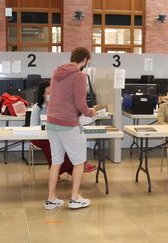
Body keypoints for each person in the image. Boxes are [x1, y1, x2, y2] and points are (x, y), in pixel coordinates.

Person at [45, 47, 96, 210]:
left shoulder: (56, 73)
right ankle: (74, 198)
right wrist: (91, 112)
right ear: (85, 60)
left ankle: (51, 199)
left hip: (52, 122)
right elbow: (81, 104)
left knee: (56, 161)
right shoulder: (80, 76)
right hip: (68, 124)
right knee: (79, 161)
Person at [30, 81, 96, 175]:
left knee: (67, 140)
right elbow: (33, 127)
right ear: (42, 95)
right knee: (51, 144)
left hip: (55, 134)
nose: (51, 95)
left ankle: (77, 164)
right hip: (40, 138)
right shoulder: (37, 108)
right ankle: (69, 169)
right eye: (48, 93)